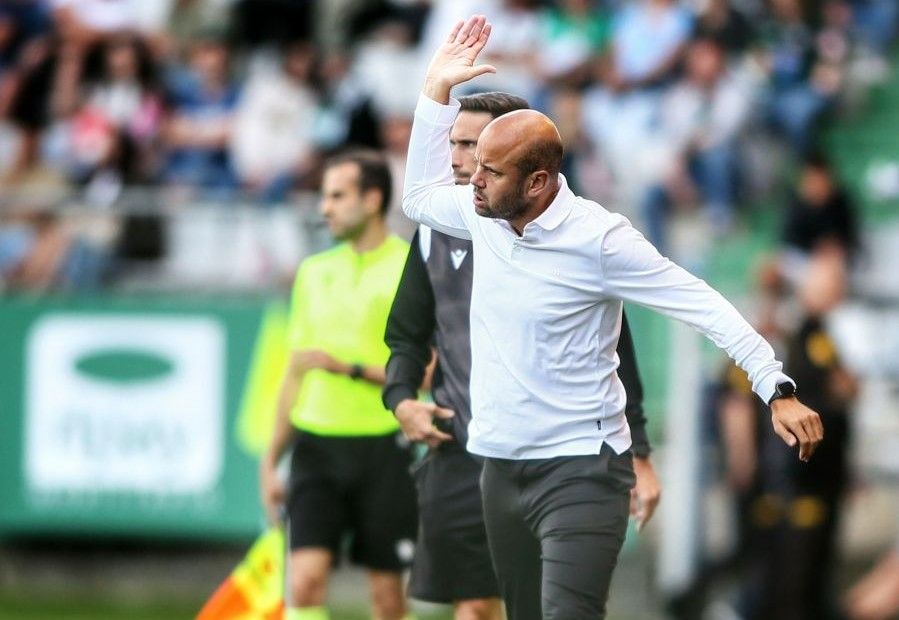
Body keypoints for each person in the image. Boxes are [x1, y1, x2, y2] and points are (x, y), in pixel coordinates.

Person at [403, 16, 824, 618]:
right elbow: (418, 197)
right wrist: (435, 91)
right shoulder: (483, 212)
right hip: (497, 464)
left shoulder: (599, 239)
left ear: (538, 182)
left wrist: (774, 386)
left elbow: (699, 301)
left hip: (582, 468)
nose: (473, 180)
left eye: (490, 172)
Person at [382, 91, 662, 620]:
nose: (459, 159)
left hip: (555, 454)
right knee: (474, 608)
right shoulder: (435, 231)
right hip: (459, 448)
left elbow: (615, 354)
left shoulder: (572, 241)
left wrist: (640, 453)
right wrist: (400, 398)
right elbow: (406, 334)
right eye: (454, 143)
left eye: (473, 146)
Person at [259, 150, 417, 620]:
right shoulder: (313, 272)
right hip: (316, 447)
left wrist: (349, 368)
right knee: (304, 582)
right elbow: (296, 371)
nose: (324, 208)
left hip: (384, 447)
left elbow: (427, 371)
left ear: (372, 200)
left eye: (336, 196)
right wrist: (271, 460)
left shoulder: (410, 268)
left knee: (387, 596)